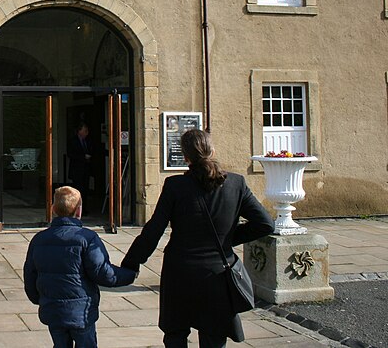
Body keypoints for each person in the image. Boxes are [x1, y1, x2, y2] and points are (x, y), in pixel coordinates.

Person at [120, 129, 273, 347]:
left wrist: (131, 263)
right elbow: (266, 224)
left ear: (185, 157)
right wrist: (227, 239)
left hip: (180, 272)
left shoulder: (175, 186)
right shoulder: (236, 184)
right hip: (218, 273)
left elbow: (153, 230)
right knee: (214, 337)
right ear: (212, 150)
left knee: (176, 335)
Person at [24, 186, 136, 348]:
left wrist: (38, 298)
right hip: (81, 311)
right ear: (79, 211)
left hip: (53, 308)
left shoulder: (39, 239)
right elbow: (103, 273)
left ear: (53, 209)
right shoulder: (87, 238)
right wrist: (129, 274)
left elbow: (30, 274)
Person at [67, 122, 93, 197]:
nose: (86, 133)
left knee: (85, 190)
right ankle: (78, 208)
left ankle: (84, 208)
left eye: (87, 131)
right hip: (77, 171)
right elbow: (70, 154)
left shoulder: (88, 141)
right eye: (85, 131)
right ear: (79, 131)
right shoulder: (73, 141)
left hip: (86, 170)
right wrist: (83, 157)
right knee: (77, 191)